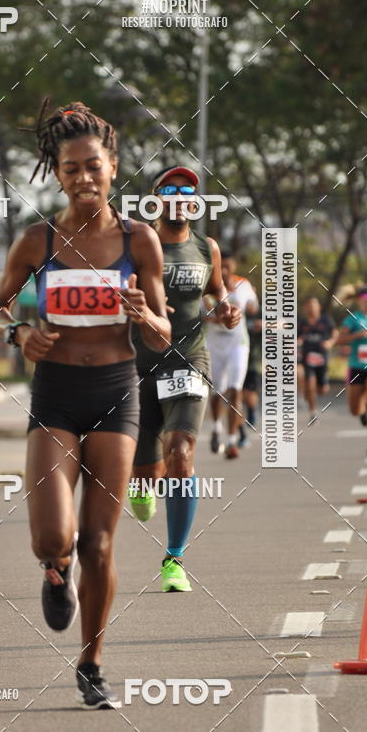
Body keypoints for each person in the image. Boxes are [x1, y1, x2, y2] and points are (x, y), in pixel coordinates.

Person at [0, 99, 171, 709]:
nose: (84, 178)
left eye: (94, 166)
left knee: (100, 542)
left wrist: (144, 316)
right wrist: (16, 334)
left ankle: (91, 663)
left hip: (118, 393)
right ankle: (52, 571)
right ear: (57, 175)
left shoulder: (140, 240)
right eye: (71, 170)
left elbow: (165, 333)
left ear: (113, 166)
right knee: (52, 538)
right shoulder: (38, 240)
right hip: (56, 396)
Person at [128, 165, 241, 593]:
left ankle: (174, 559)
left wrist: (226, 308)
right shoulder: (137, 243)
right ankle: (142, 487)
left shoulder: (205, 247)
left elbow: (216, 291)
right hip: (139, 365)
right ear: (157, 199)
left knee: (180, 452)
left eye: (188, 191)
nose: (180, 196)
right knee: (144, 475)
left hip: (189, 361)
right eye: (170, 189)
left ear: (195, 202)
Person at [205, 254, 258, 459]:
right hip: (215, 344)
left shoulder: (243, 285)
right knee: (217, 392)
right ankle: (217, 428)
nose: (224, 270)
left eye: (227, 266)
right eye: (221, 267)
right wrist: (215, 319)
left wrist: (253, 308)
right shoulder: (207, 288)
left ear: (233, 266)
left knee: (236, 390)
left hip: (238, 344)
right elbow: (201, 313)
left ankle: (232, 441)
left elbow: (253, 306)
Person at [335, 287, 367, 454]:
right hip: (356, 367)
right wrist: (356, 336)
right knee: (355, 410)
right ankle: (363, 411)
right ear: (359, 301)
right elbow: (339, 340)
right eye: (364, 298)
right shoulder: (353, 319)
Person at [297, 296, 338, 424]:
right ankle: (313, 413)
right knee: (310, 384)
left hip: (322, 359)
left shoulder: (326, 320)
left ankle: (311, 394)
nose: (311, 308)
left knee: (322, 390)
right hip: (307, 358)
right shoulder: (302, 323)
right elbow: (297, 338)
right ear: (305, 308)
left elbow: (335, 333)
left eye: (314, 305)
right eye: (309, 305)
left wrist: (330, 343)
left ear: (318, 307)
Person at [239, 307, 263, 448]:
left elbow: (285, 324)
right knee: (236, 397)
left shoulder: (261, 314)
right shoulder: (233, 309)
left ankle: (252, 410)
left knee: (249, 393)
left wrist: (264, 325)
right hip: (232, 360)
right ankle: (240, 434)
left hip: (252, 361)